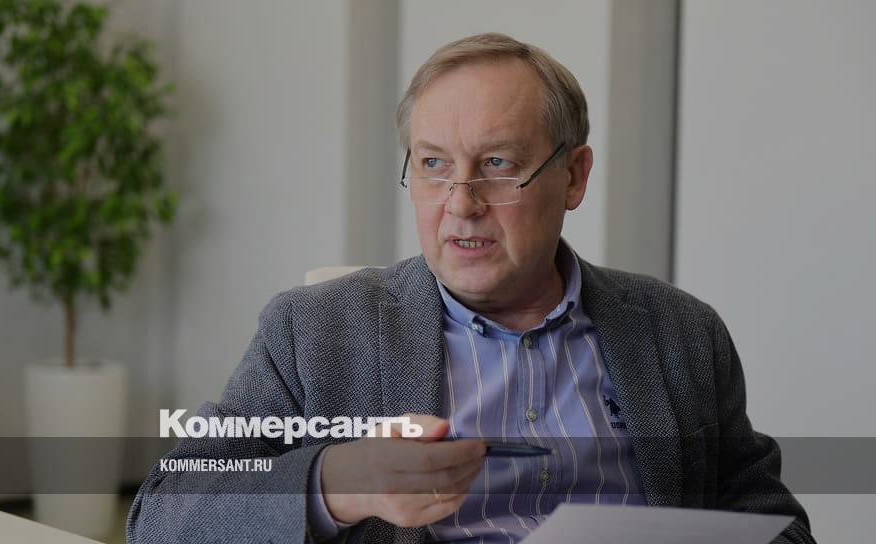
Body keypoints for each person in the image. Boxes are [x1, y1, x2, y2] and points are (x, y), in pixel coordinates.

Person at [127, 33, 814, 544]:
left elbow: (772, 522)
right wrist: (337, 482)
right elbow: (161, 515)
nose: (461, 202)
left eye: (498, 163)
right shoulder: (314, 335)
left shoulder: (680, 333)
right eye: (433, 165)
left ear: (574, 177)